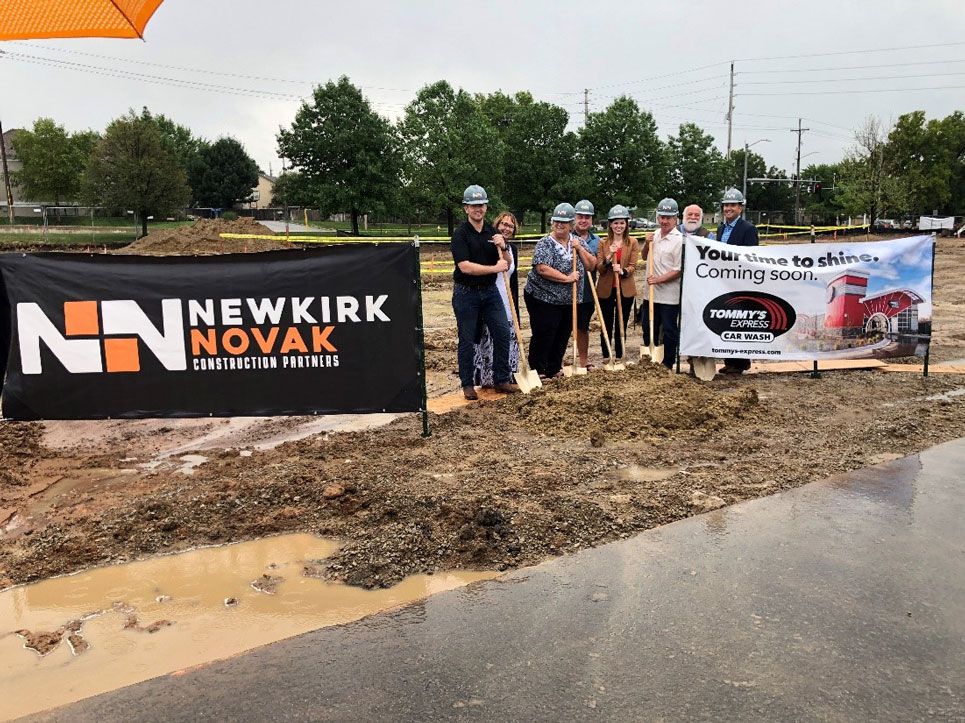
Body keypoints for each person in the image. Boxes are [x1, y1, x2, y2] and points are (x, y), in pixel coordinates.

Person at [450, 184, 520, 400]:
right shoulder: (460, 234)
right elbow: (465, 266)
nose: (477, 209)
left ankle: (501, 379)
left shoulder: (493, 232)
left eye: (481, 205)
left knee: (502, 333)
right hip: (466, 292)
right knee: (468, 339)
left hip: (490, 292)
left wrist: (505, 248)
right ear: (466, 209)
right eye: (473, 206)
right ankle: (468, 384)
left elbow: (507, 264)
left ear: (486, 207)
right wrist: (494, 269)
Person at [524, 202, 597, 380]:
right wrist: (567, 278)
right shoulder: (545, 243)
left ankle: (554, 367)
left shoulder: (576, 241)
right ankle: (538, 370)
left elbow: (591, 265)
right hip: (543, 297)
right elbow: (542, 268)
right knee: (545, 332)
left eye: (564, 221)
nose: (559, 224)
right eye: (556, 220)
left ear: (571, 224)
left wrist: (579, 248)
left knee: (563, 333)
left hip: (568, 299)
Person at [472, 211, 521, 387]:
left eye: (511, 226)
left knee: (507, 339)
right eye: (504, 224)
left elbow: (511, 274)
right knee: (487, 341)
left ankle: (505, 377)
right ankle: (486, 379)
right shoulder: (486, 244)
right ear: (496, 225)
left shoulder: (512, 249)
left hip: (506, 302)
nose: (507, 228)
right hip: (486, 300)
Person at [715, 188, 760, 374]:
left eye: (732, 205)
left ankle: (742, 362)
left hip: (740, 281)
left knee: (739, 321)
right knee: (727, 320)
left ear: (740, 208)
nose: (728, 208)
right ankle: (730, 361)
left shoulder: (748, 229)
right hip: (723, 281)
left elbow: (751, 257)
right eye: (726, 205)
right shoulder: (721, 229)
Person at [596, 205, 638, 361]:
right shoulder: (603, 242)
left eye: (622, 223)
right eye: (615, 223)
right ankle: (607, 355)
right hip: (606, 289)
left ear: (626, 224)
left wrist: (622, 271)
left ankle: (620, 355)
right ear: (610, 224)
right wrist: (609, 256)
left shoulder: (632, 242)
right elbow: (600, 267)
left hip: (624, 289)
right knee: (606, 324)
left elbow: (634, 266)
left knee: (621, 323)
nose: (618, 226)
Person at [647, 198, 683, 370]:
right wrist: (647, 243)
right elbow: (644, 254)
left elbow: (678, 270)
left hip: (669, 295)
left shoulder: (679, 240)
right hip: (651, 293)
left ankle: (668, 362)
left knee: (669, 330)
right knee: (649, 327)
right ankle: (651, 359)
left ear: (676, 218)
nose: (665, 221)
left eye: (669, 217)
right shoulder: (654, 235)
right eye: (662, 217)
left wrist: (658, 280)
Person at [573, 200, 600, 368]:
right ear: (575, 217)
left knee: (583, 327)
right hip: (567, 291)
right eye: (580, 217)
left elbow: (598, 264)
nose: (583, 220)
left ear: (591, 220)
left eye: (587, 217)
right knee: (561, 329)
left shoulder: (597, 241)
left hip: (588, 292)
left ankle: (583, 361)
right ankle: (556, 363)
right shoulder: (566, 236)